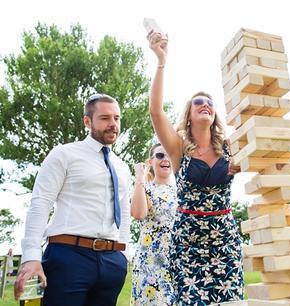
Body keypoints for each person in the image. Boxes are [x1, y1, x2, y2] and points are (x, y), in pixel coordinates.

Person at [146, 31, 244, 304]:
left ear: (214, 116)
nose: (205, 105)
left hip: (224, 238)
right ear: (189, 115)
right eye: (198, 102)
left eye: (210, 103)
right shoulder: (178, 148)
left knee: (231, 301)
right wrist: (161, 60)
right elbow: (155, 111)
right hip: (188, 241)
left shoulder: (229, 147)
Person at [14, 94, 131, 306]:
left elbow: (124, 211)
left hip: (112, 261)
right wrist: (31, 256)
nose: (113, 124)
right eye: (105, 118)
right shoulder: (64, 154)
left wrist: (124, 255)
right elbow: (41, 203)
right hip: (69, 257)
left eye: (117, 118)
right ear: (87, 121)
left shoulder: (122, 167)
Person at [131, 144, 177, 305]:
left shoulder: (182, 190)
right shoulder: (145, 188)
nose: (165, 159)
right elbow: (138, 214)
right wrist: (139, 177)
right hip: (150, 263)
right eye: (159, 156)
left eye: (168, 155)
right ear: (150, 161)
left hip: (178, 261)